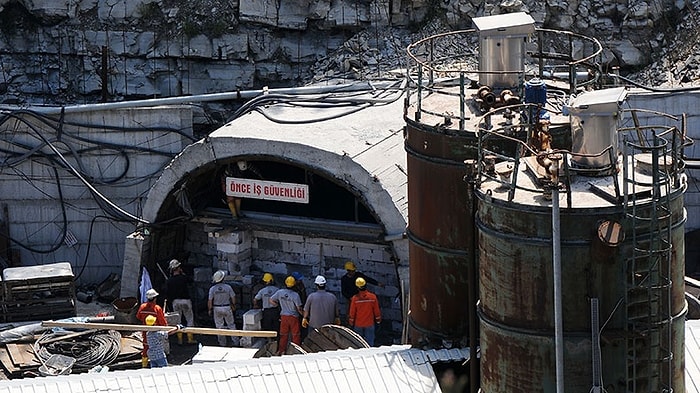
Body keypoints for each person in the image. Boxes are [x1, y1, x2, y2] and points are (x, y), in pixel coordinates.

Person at [164, 259, 196, 345]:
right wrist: (183, 273)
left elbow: (167, 293)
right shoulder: (184, 278)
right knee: (189, 319)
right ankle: (190, 338)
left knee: (178, 320)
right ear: (178, 268)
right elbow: (191, 281)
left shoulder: (169, 280)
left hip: (176, 301)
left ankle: (180, 339)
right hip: (186, 300)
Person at [269, 276, 303, 355]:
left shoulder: (280, 292)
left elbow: (271, 300)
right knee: (295, 335)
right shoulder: (295, 295)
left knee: (283, 335)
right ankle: (296, 351)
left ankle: (281, 351)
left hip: (284, 316)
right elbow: (299, 308)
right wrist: (305, 316)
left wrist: (277, 305)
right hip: (294, 317)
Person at [136, 288, 168, 368]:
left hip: (145, 331)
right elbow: (162, 322)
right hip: (155, 331)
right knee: (156, 347)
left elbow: (138, 316)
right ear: (155, 298)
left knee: (146, 348)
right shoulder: (157, 308)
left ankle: (144, 366)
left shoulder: (142, 306)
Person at [208, 270, 239, 347]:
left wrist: (210, 309)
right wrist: (234, 305)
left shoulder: (212, 289)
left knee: (219, 327)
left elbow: (210, 300)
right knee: (231, 325)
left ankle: (222, 343)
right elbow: (233, 298)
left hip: (217, 308)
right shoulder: (228, 287)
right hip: (227, 307)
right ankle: (236, 342)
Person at [348, 277, 382, 346]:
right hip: (369, 323)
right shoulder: (372, 297)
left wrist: (351, 322)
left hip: (358, 324)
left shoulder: (355, 299)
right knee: (369, 344)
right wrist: (378, 321)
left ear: (357, 287)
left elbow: (352, 312)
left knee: (358, 344)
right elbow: (376, 311)